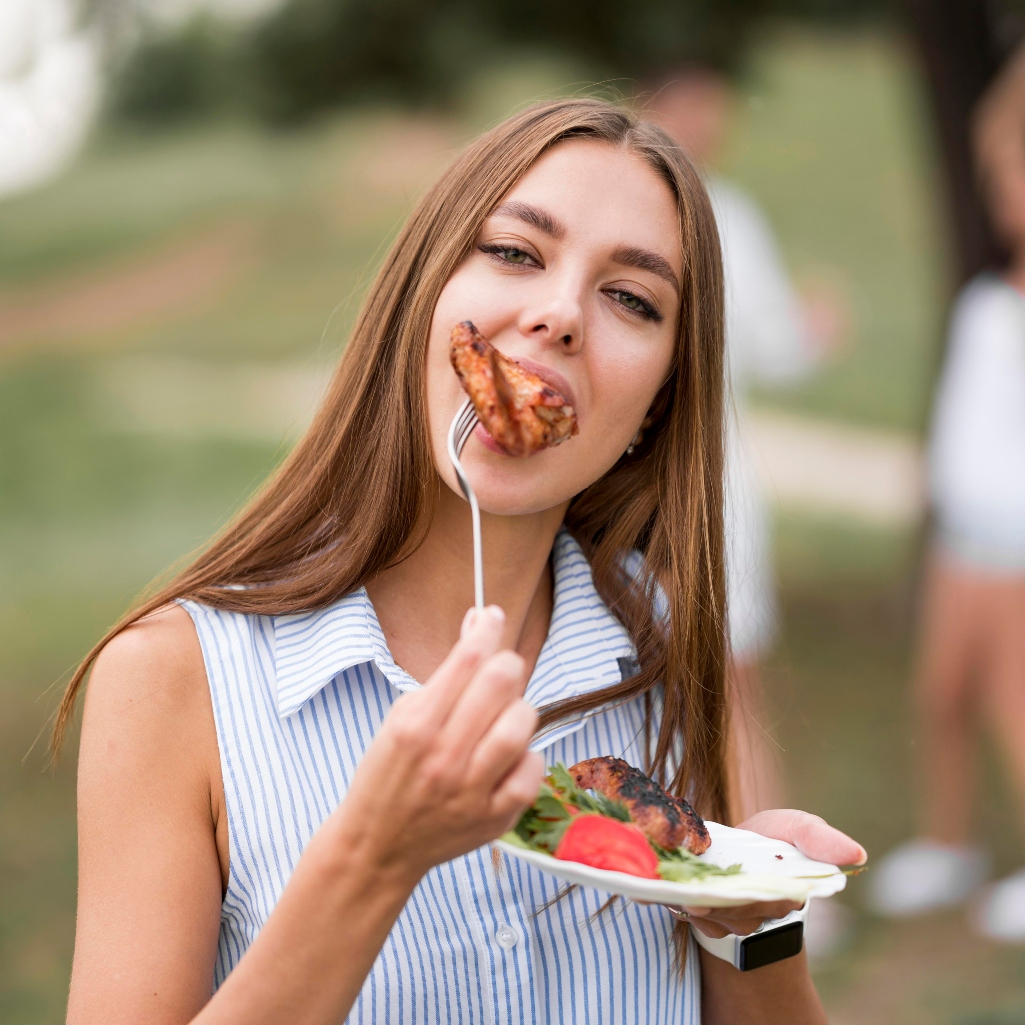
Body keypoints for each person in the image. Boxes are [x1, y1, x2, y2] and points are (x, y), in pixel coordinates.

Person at [58, 99, 864, 1024]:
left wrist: (745, 920)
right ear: (424, 294)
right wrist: (371, 858)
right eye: (516, 252)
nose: (560, 313)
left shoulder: (662, 643)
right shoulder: (172, 680)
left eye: (632, 300)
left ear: (656, 402)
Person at [645, 69, 846, 823]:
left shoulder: (729, 212)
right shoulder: (639, 208)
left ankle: (772, 870)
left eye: (714, 112)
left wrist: (810, 330)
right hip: (633, 483)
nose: (705, 126)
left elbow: (770, 343)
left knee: (728, 679)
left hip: (711, 481)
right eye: (690, 106)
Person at [869, 53, 1025, 941]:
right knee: (942, 691)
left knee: (1012, 701)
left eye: (1009, 176)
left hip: (1011, 545)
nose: (999, 195)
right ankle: (947, 840)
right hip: (960, 537)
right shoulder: (985, 298)